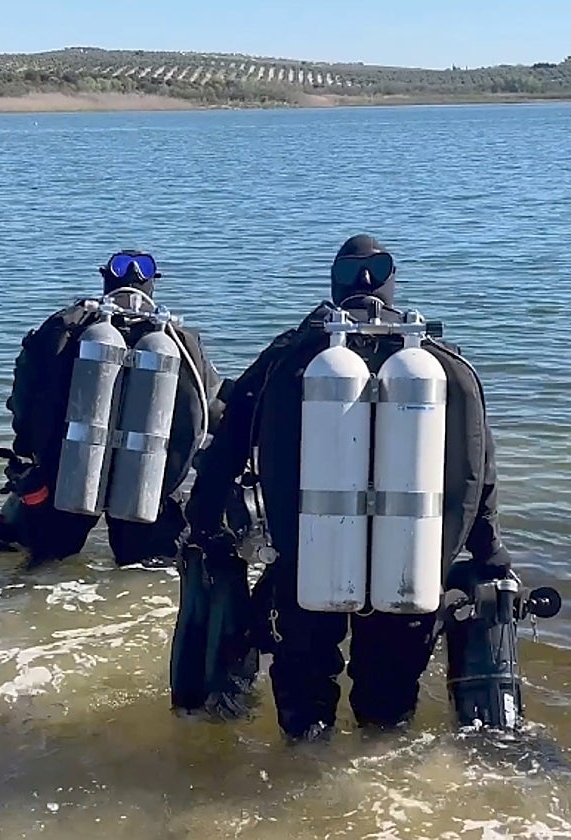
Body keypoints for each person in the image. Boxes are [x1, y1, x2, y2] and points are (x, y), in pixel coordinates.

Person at [172, 234, 516, 740]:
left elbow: (228, 443)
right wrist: (490, 553)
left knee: (305, 707)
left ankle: (305, 770)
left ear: (334, 284)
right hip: (409, 563)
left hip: (310, 562)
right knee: (387, 712)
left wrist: (202, 523)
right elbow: (477, 469)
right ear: (392, 285)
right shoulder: (440, 364)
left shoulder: (291, 356)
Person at [0, 250, 223, 569]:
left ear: (105, 277)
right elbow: (208, 412)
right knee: (146, 572)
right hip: (147, 485)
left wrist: (29, 451)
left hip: (66, 478)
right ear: (153, 283)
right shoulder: (179, 341)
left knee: (44, 565)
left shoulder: (65, 328)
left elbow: (26, 398)